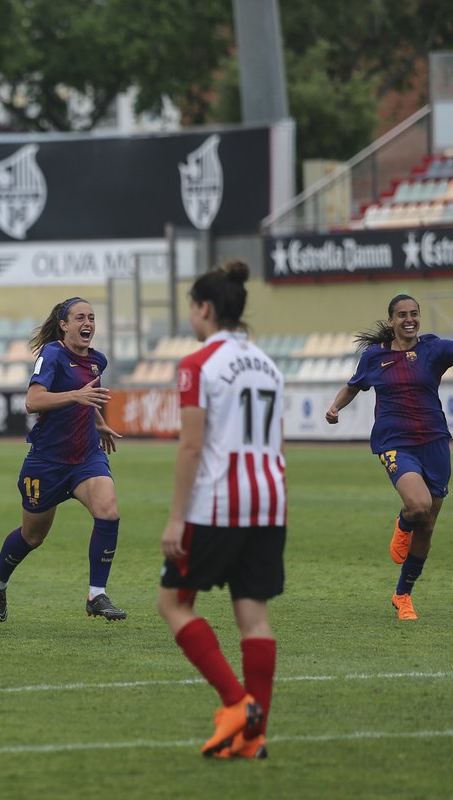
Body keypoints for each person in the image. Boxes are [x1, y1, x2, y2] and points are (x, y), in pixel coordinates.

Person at [158, 260, 285, 759]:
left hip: (217, 503)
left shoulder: (197, 365)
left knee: (172, 603)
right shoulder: (269, 364)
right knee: (253, 616)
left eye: (192, 307)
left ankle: (236, 704)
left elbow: (192, 447)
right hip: (269, 500)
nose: (190, 316)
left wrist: (175, 519)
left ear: (205, 308)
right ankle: (254, 738)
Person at [0, 297, 127, 625]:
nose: (87, 322)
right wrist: (75, 396)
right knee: (33, 536)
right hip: (47, 461)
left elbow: (87, 397)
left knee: (109, 511)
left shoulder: (96, 361)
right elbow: (33, 401)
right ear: (64, 324)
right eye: (79, 317)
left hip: (86, 457)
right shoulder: (52, 355)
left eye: (91, 317)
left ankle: (96, 594)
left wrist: (99, 422)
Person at [326, 293, 453, 621]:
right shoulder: (374, 358)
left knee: (427, 527)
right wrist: (336, 407)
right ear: (391, 321)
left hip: (435, 442)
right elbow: (353, 386)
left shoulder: (434, 349)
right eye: (402, 315)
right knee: (418, 505)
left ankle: (403, 595)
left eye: (414, 313)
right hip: (395, 442)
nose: (409, 319)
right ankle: (402, 521)